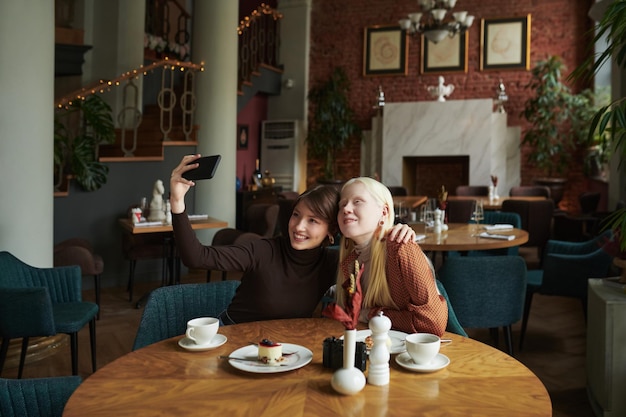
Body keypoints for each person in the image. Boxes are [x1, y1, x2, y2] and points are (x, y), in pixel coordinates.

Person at [169, 154, 416, 324]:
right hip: (233, 337)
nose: (298, 226)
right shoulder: (262, 251)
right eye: (296, 215)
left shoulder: (332, 264)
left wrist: (399, 230)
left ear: (331, 231)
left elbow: (373, 258)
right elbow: (195, 257)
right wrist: (178, 202)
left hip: (286, 349)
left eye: (313, 221)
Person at [334, 176, 448, 336]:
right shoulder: (350, 261)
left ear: (384, 212)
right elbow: (353, 314)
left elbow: (432, 324)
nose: (346, 209)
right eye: (342, 204)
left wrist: (371, 314)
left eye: (357, 201)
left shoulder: (401, 248)